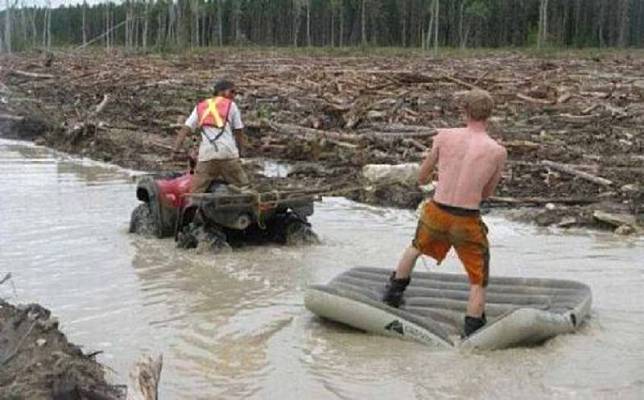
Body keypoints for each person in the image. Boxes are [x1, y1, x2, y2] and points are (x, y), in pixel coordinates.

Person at [382, 89, 507, 338]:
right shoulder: (497, 151)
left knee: (415, 249)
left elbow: (422, 175)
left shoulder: (444, 136)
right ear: (489, 116)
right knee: (478, 280)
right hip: (467, 219)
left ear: (464, 111)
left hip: (437, 212)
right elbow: (486, 194)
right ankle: (472, 331)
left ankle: (391, 298)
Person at [173, 80, 249, 193]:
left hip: (207, 156)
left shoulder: (201, 107)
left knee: (195, 193)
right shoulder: (231, 106)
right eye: (232, 92)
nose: (234, 95)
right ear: (221, 92)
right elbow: (239, 132)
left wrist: (175, 150)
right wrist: (241, 152)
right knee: (243, 188)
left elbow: (185, 129)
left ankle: (194, 209)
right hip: (227, 154)